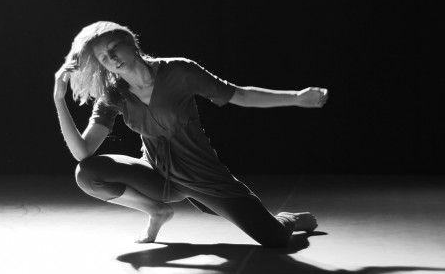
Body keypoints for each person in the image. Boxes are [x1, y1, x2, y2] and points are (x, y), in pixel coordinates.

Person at [53, 21, 328, 247]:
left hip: (203, 177)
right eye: (104, 57)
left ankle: (288, 218)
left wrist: (296, 98)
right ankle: (157, 211)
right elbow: (83, 152)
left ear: (131, 42)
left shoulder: (179, 71)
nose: (112, 58)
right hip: (158, 177)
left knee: (275, 238)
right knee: (87, 173)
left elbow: (240, 95)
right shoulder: (114, 95)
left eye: (114, 48)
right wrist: (59, 99)